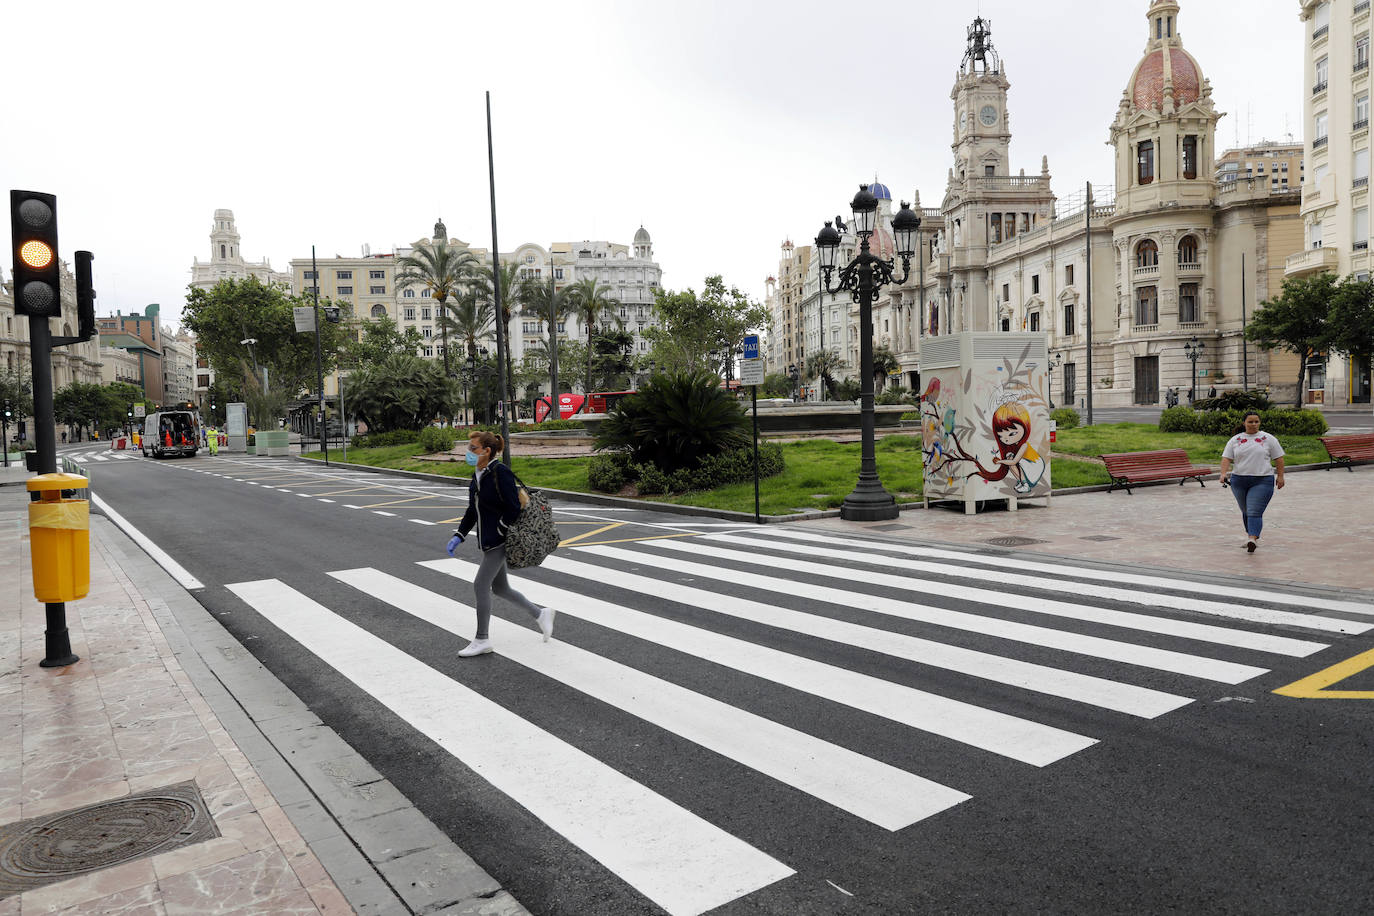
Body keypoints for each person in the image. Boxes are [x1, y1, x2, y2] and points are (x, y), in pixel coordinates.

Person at [446, 430, 556, 657]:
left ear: (487, 451)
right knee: (500, 588)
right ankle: (540, 615)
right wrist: (460, 534)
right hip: (487, 540)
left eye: (473, 448)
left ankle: (482, 639)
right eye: (469, 448)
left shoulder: (500, 473)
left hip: (499, 541)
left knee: (480, 585)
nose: (469, 452)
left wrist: (500, 530)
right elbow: (472, 510)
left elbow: (513, 508)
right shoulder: (478, 475)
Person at [1219, 411, 1285, 553]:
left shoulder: (1268, 439)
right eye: (1250, 422)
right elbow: (1226, 458)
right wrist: (1223, 474)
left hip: (1262, 480)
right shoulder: (1235, 440)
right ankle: (1251, 535)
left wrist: (1280, 476)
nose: (1254, 424)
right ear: (1244, 423)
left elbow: (1279, 458)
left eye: (1256, 422)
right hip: (1239, 480)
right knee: (1246, 510)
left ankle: (1252, 539)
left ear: (1259, 423)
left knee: (1254, 510)